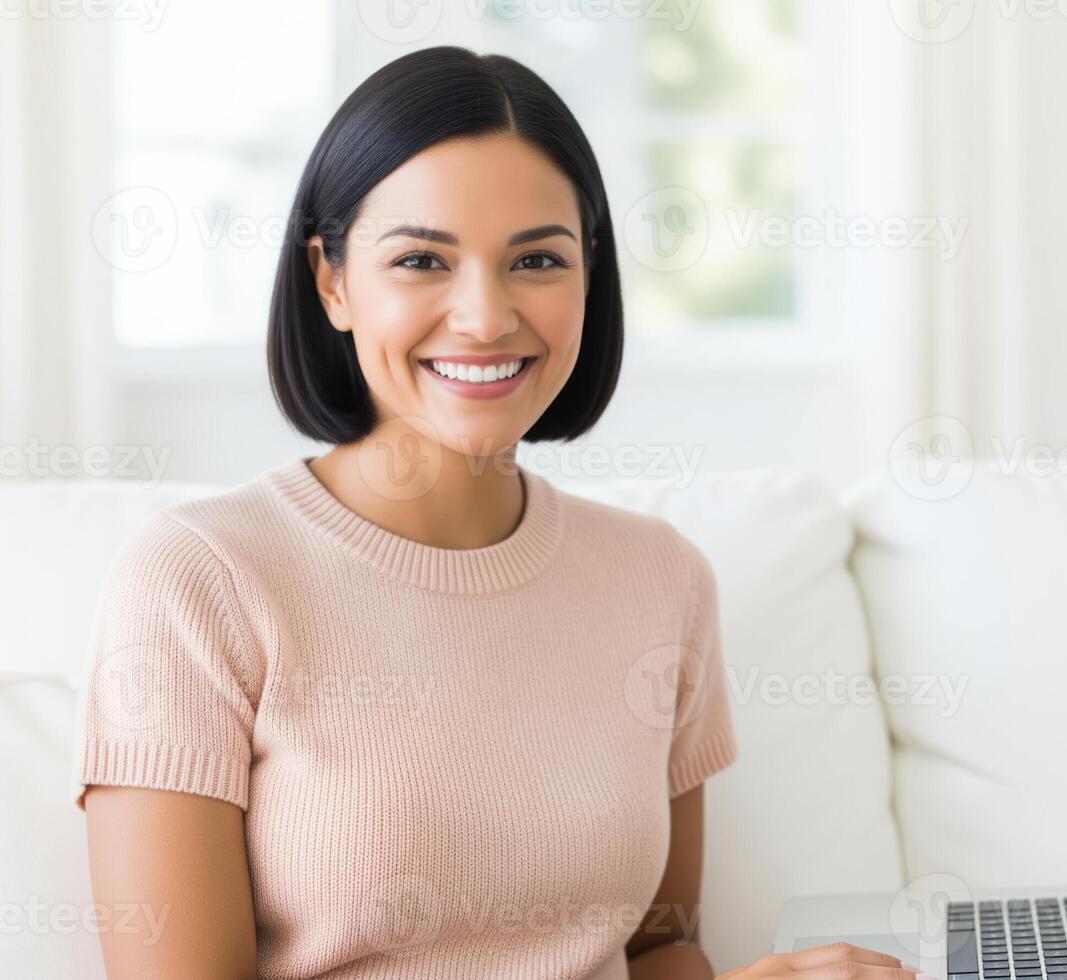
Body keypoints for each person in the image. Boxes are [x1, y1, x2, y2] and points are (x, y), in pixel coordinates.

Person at [73, 44, 922, 980]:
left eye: (536, 260)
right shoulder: (197, 581)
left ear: (588, 278)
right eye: (422, 260)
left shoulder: (661, 580)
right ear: (332, 281)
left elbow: (660, 950)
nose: (483, 317)